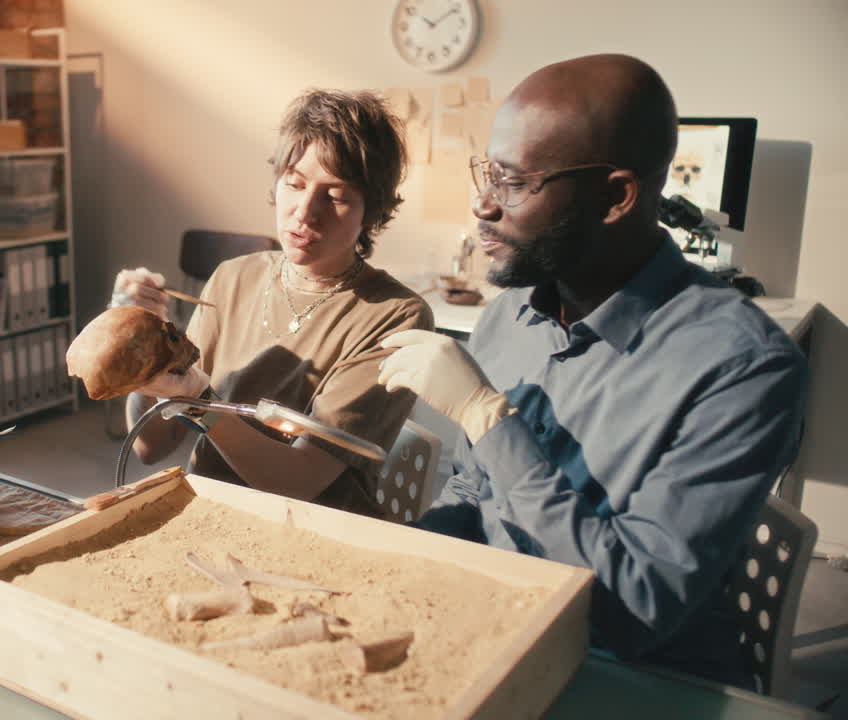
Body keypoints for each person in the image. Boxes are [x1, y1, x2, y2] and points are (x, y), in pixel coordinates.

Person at [377, 54, 809, 686]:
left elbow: (632, 612)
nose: (482, 204)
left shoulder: (746, 370)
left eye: (514, 182)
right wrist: (404, 563)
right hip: (496, 637)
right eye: (487, 173)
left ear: (615, 197)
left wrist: (487, 419)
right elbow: (474, 491)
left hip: (632, 677)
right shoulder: (508, 319)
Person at [111, 89, 434, 516]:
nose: (305, 212)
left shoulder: (395, 316)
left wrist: (197, 402)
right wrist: (143, 346)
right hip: (215, 513)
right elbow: (152, 446)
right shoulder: (232, 278)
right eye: (294, 183)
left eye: (335, 196)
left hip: (317, 532)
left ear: (371, 211)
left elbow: (298, 480)